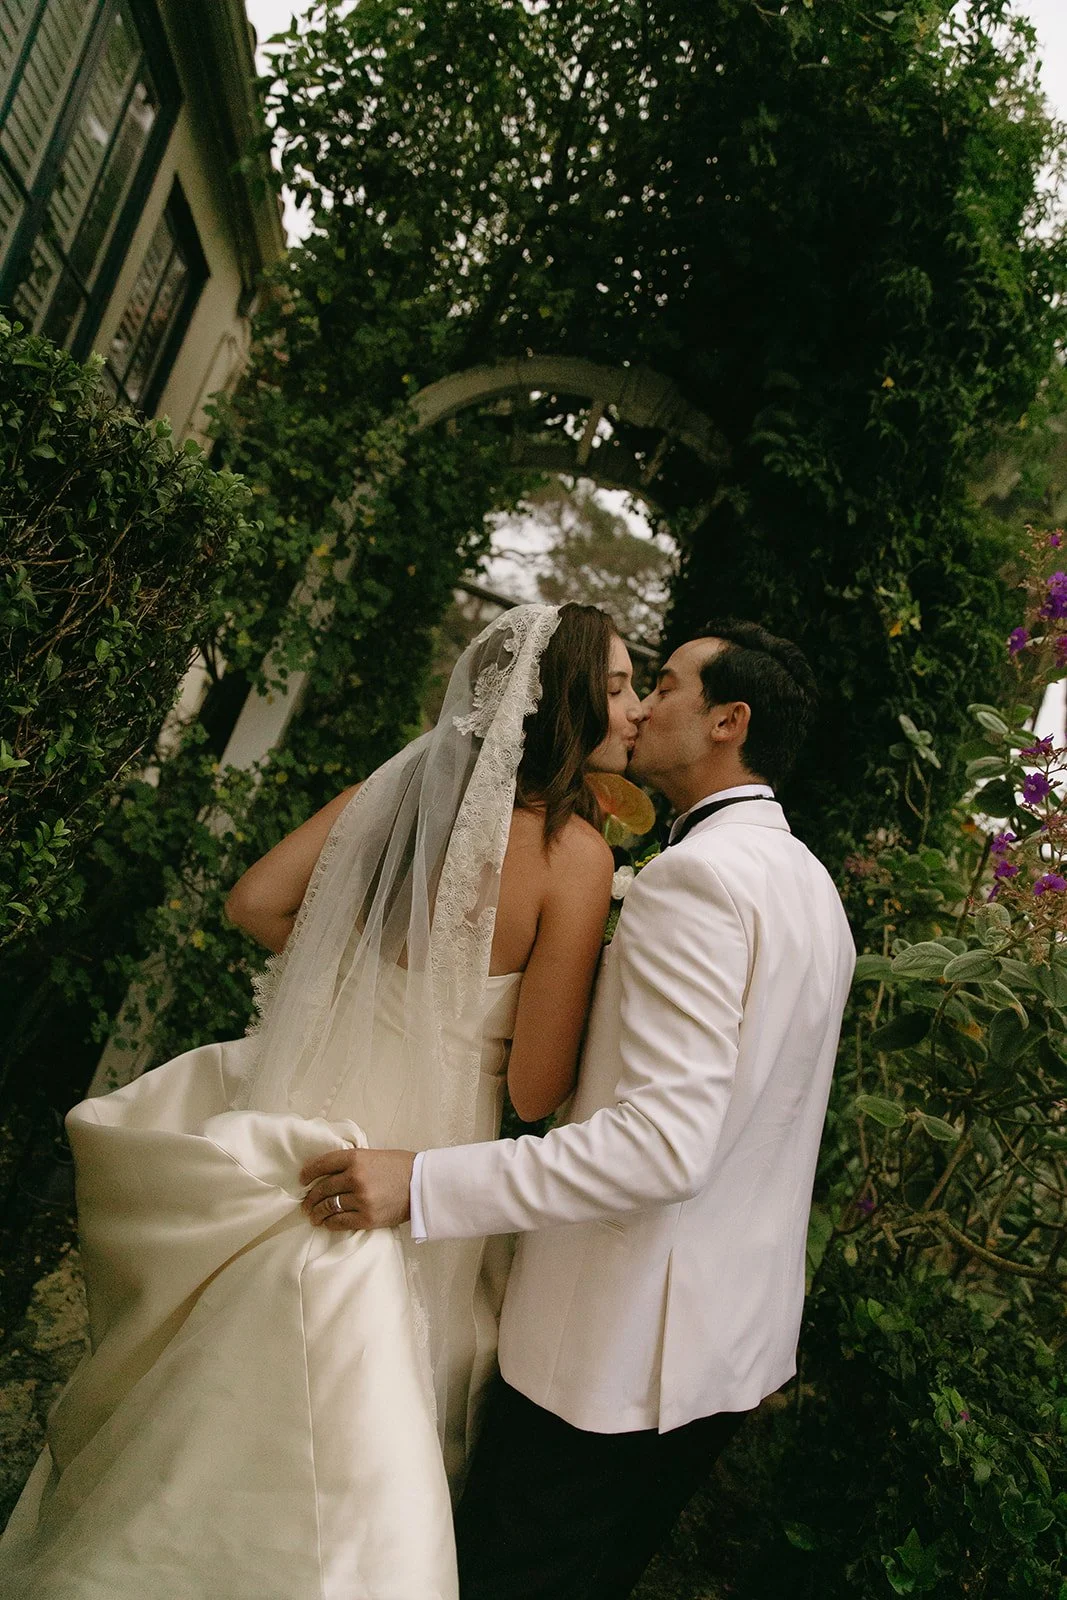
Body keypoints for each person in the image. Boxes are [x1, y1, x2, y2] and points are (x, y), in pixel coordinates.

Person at [0, 603, 643, 1600]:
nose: (636, 709)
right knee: (367, 1408)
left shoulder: (389, 799)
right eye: (616, 687)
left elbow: (253, 902)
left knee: (226, 1365)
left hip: (301, 1105)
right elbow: (533, 1086)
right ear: (561, 704)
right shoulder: (575, 860)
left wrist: (352, 987)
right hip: (417, 1159)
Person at [304, 619, 856, 1600]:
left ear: (726, 721)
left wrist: (420, 1180)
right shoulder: (806, 884)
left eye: (670, 686)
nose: (643, 704)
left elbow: (658, 1148)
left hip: (610, 1363)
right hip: (723, 1355)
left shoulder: (695, 881)